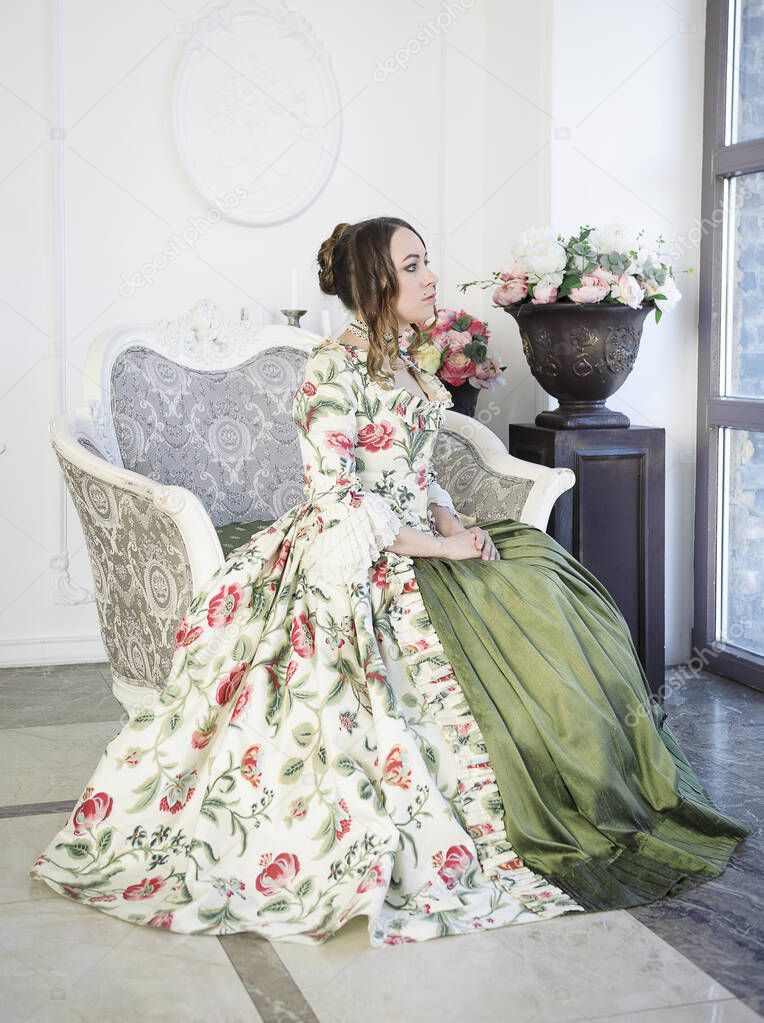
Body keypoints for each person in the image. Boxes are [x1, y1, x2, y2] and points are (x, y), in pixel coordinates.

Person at [29, 216, 749, 947]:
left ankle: (602, 787)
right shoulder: (331, 370)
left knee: (546, 582)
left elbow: (420, 469)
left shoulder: (409, 362)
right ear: (377, 282)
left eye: (427, 261)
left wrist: (448, 520)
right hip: (356, 553)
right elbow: (337, 502)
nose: (431, 276)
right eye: (414, 265)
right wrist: (442, 552)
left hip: (419, 534)